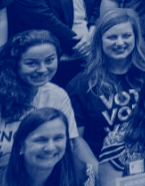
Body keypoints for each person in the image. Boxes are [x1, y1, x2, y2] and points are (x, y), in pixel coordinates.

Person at [66, 8, 145, 160]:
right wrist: (101, 177)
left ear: (136, 37)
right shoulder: (80, 85)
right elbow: (77, 141)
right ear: (99, 41)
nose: (120, 43)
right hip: (103, 162)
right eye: (112, 37)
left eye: (126, 36)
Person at [0, 30, 90, 167]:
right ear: (15, 63)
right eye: (31, 63)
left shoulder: (57, 95)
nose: (42, 69)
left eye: (49, 60)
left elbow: (70, 145)